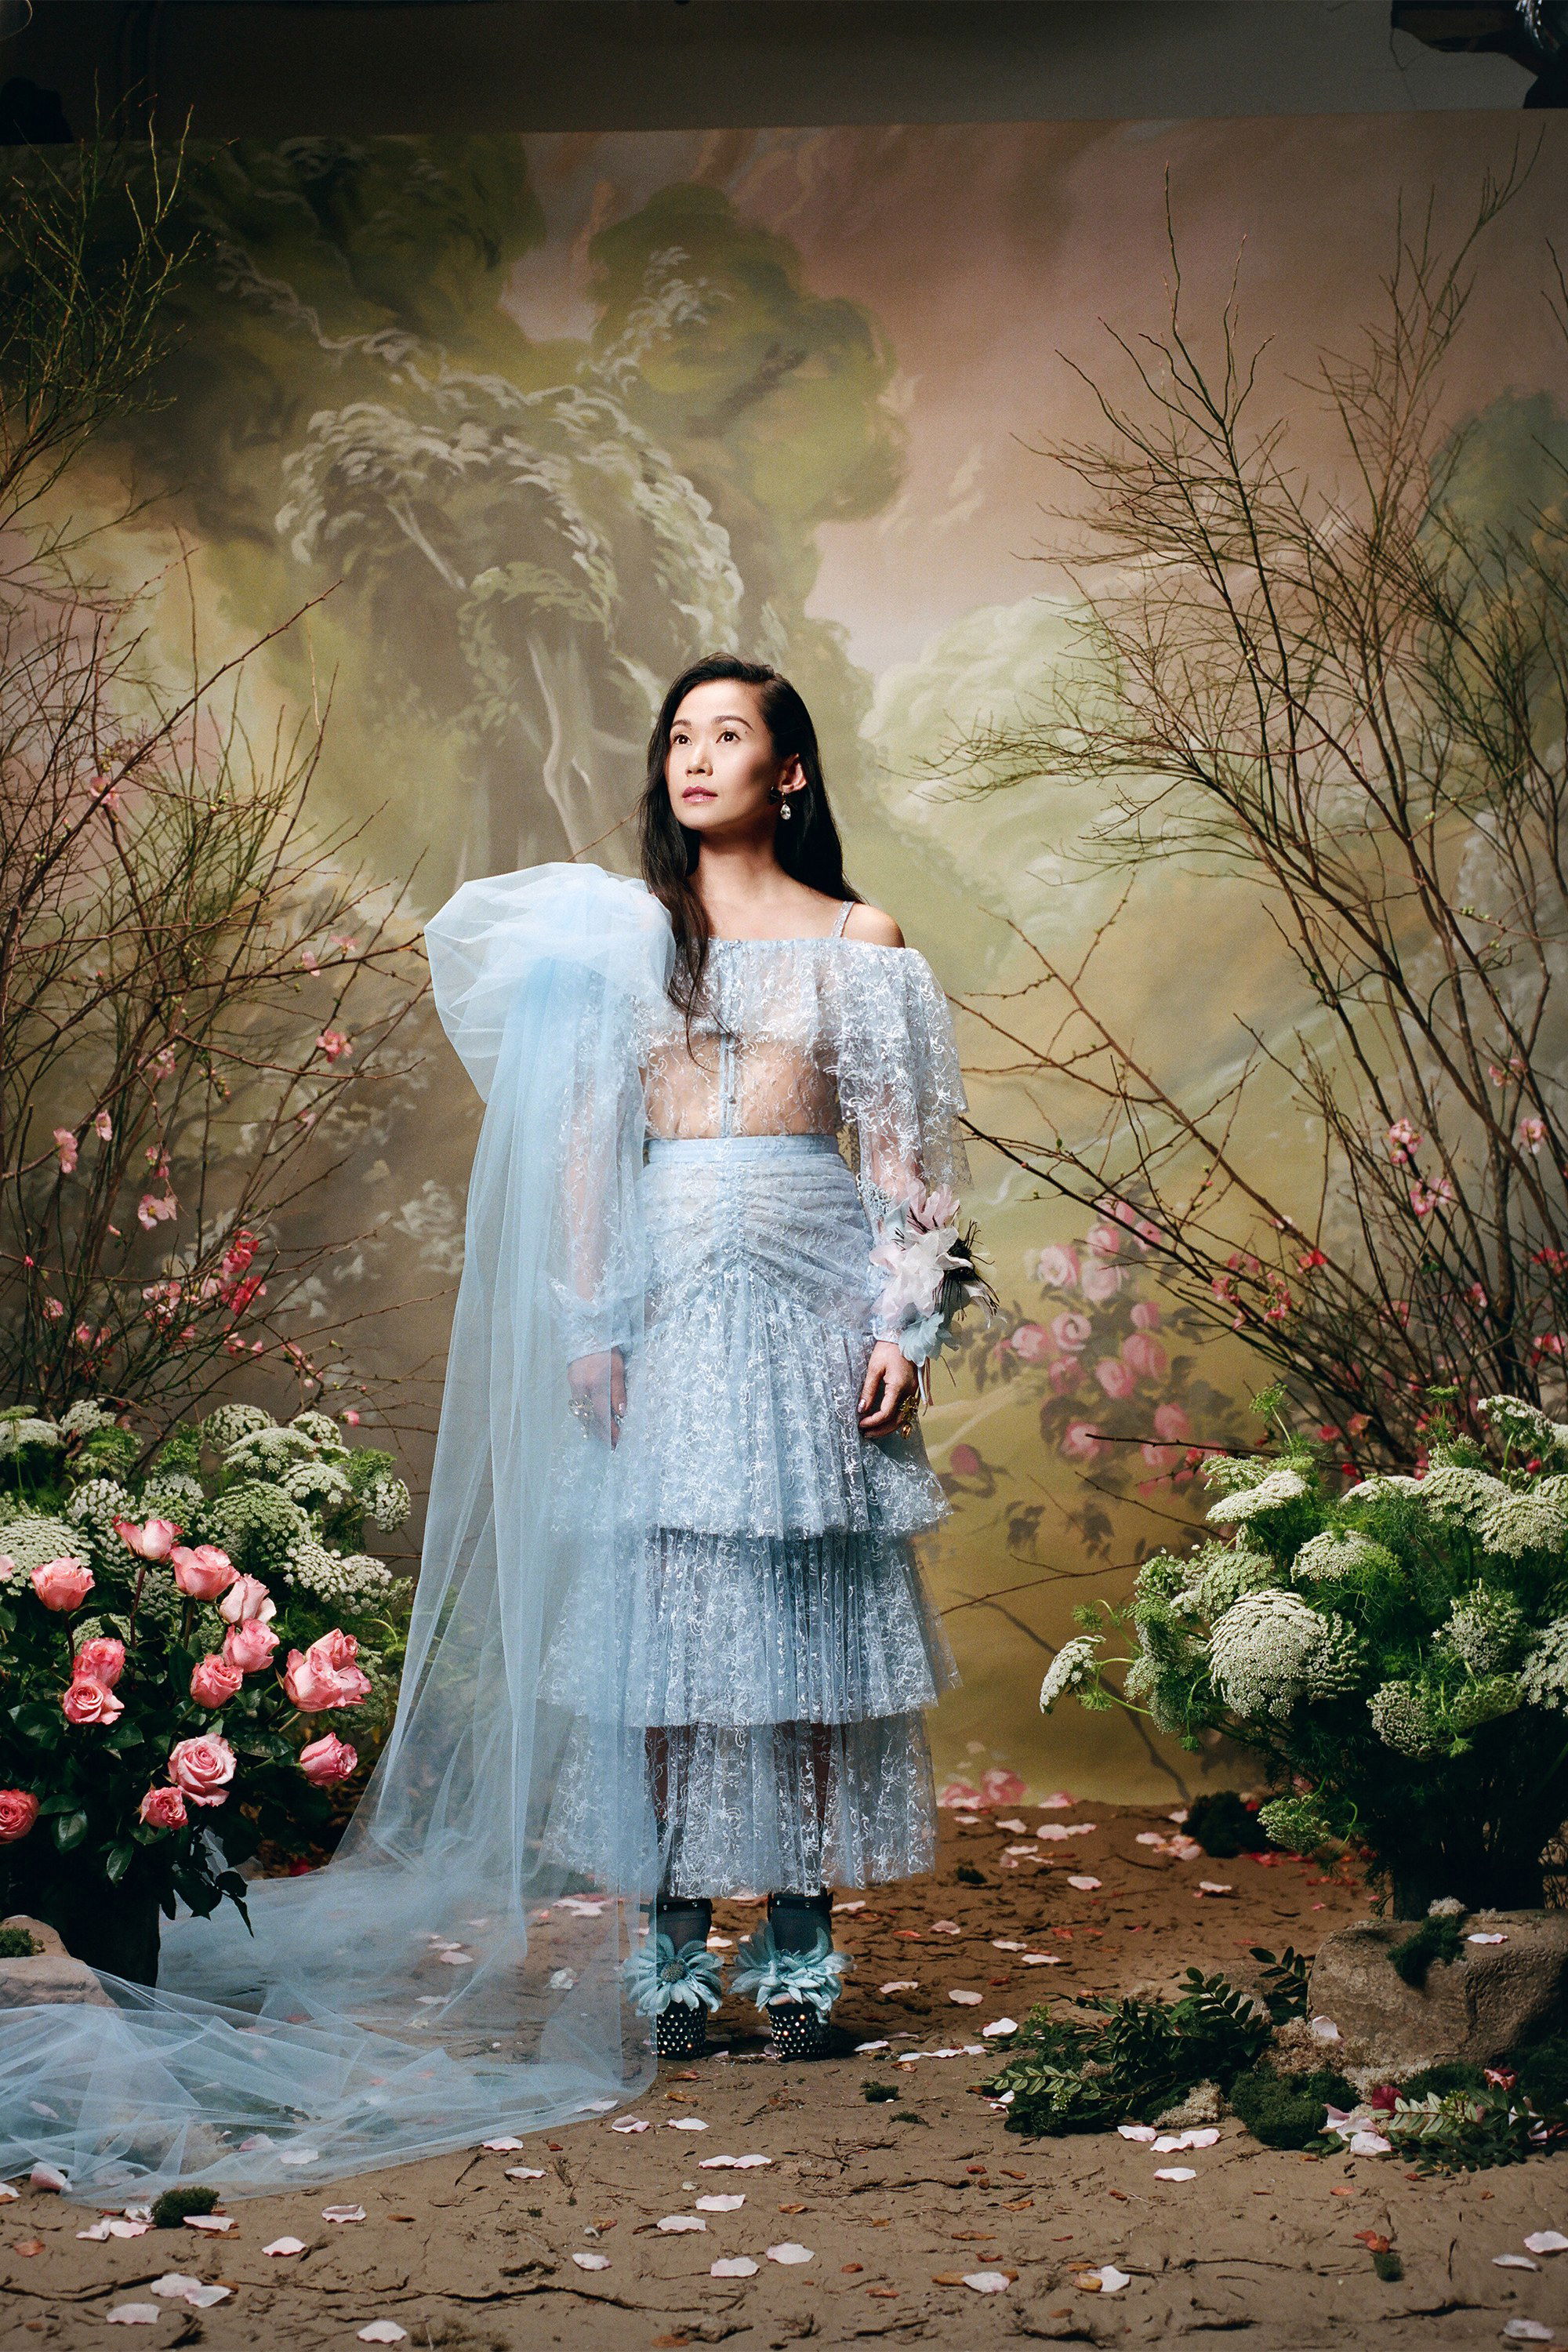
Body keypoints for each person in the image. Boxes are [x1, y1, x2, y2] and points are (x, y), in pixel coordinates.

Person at [0, 655, 986, 2196]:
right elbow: (590, 1145)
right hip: (667, 1290)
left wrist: (899, 1325)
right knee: (663, 1624)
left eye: (729, 735)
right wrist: (591, 1324)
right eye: (679, 736)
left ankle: (797, 1939)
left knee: (797, 1616)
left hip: (807, 1288)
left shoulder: (862, 941)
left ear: (789, 771)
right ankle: (671, 1942)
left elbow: (907, 1158)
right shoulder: (625, 942)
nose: (695, 757)